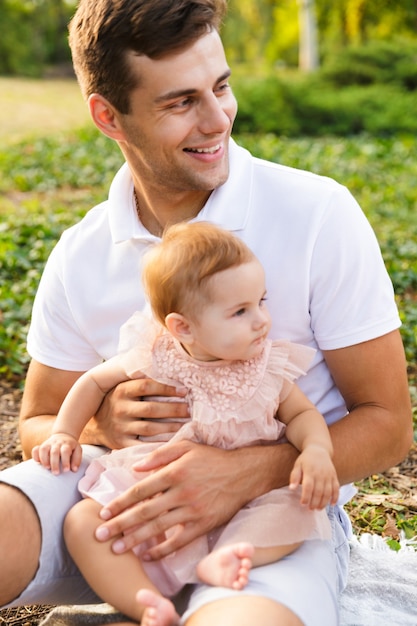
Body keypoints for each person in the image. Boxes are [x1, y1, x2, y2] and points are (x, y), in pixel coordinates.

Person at [0, 0, 412, 625]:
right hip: (118, 494)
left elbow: (389, 424)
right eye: (180, 102)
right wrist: (97, 425)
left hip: (275, 513)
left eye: (221, 87)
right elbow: (38, 419)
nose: (218, 119)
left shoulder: (318, 213)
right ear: (109, 116)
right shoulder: (81, 252)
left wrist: (247, 472)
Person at [32, 222, 339, 626]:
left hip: (249, 498)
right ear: (183, 327)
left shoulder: (264, 368)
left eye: (261, 302)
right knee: (84, 523)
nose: (262, 320)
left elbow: (302, 415)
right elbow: (93, 381)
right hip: (155, 490)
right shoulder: (157, 353)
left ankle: (225, 558)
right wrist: (63, 432)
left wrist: (316, 450)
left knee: (297, 512)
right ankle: (144, 604)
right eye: (240, 311)